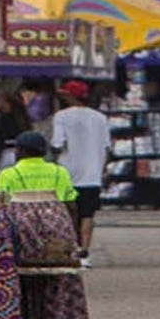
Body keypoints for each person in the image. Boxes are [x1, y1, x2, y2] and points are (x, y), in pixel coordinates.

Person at [48, 80, 111, 258]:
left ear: (69, 95)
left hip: (68, 174)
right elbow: (106, 147)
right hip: (92, 174)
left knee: (69, 213)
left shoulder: (61, 116)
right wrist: (102, 169)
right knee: (87, 214)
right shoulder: (100, 117)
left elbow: (57, 144)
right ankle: (84, 251)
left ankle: (70, 248)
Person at [0, 132, 74, 201]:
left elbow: (1, 203)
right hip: (56, 218)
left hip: (21, 219)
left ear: (21, 150)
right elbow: (70, 202)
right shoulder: (60, 172)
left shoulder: (7, 174)